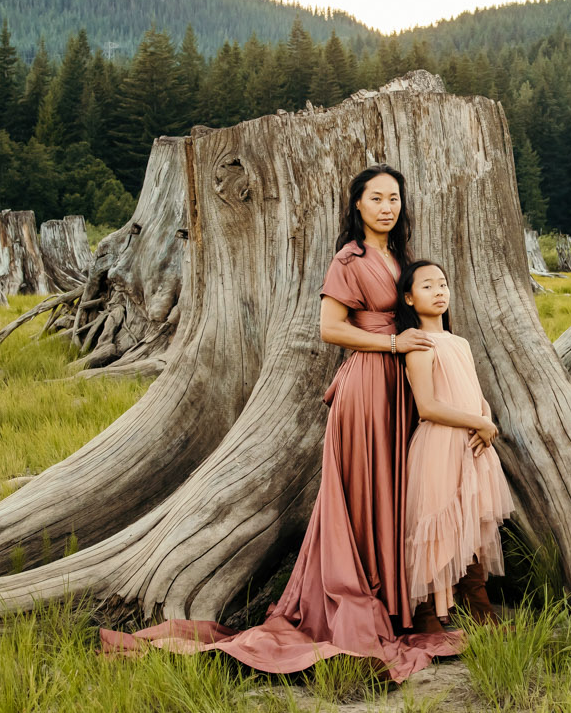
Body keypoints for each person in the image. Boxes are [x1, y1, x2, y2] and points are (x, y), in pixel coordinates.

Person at [114, 165, 463, 680]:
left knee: (395, 490)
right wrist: (391, 343)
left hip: (400, 387)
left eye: (395, 199)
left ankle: (396, 600)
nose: (388, 207)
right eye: (377, 199)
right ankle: (361, 595)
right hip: (367, 385)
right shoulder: (351, 258)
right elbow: (329, 328)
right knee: (364, 491)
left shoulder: (400, 258)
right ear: (358, 206)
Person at [395, 260, 509, 624]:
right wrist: (478, 421)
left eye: (442, 283)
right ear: (409, 299)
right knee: (437, 523)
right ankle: (429, 611)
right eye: (427, 286)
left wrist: (484, 417)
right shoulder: (419, 344)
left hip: (472, 443)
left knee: (472, 521)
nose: (439, 291)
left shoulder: (459, 342)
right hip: (439, 446)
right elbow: (427, 407)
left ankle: (478, 607)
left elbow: (473, 392)